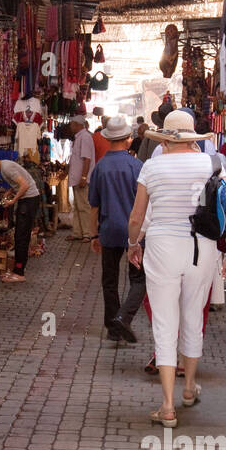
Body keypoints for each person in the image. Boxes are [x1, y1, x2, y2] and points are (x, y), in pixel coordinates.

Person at [127, 110, 226, 428]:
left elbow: (137, 216)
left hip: (162, 248)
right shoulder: (212, 164)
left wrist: (133, 244)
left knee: (164, 322)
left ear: (165, 139)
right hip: (201, 250)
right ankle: (188, 388)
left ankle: (167, 405)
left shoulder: (152, 166)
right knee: (192, 316)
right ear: (191, 138)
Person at [87, 116, 143, 342]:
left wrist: (93, 234)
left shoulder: (100, 167)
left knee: (109, 279)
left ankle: (113, 326)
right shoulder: (137, 166)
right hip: (133, 232)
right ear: (128, 139)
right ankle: (123, 318)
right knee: (137, 279)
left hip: (108, 230)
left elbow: (94, 207)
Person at [0, 152, 41, 283]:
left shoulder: (6, 167)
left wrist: (13, 201)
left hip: (29, 200)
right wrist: (10, 192)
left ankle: (19, 272)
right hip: (27, 199)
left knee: (21, 237)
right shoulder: (3, 168)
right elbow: (19, 184)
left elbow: (25, 185)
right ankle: (17, 270)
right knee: (20, 235)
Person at [66, 114, 97, 241]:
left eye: (72, 124)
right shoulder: (79, 137)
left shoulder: (85, 137)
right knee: (78, 206)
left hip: (81, 179)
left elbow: (87, 159)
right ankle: (78, 232)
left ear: (77, 125)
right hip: (77, 178)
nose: (70, 127)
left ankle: (88, 233)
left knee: (84, 206)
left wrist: (84, 177)